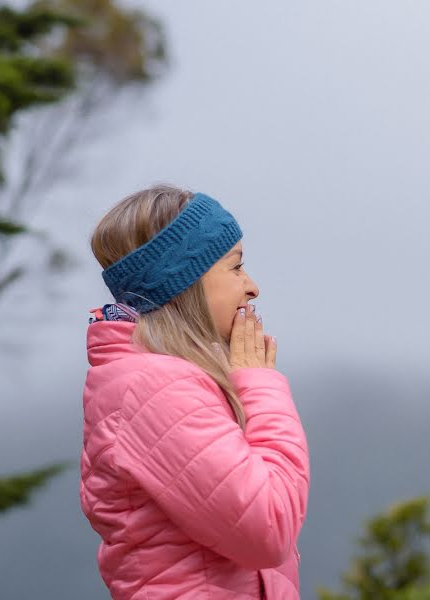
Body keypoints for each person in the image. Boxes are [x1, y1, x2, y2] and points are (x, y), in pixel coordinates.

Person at [80, 184, 309, 599]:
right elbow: (268, 528)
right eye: (236, 267)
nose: (253, 287)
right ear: (186, 280)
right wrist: (260, 384)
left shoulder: (161, 380)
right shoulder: (156, 388)